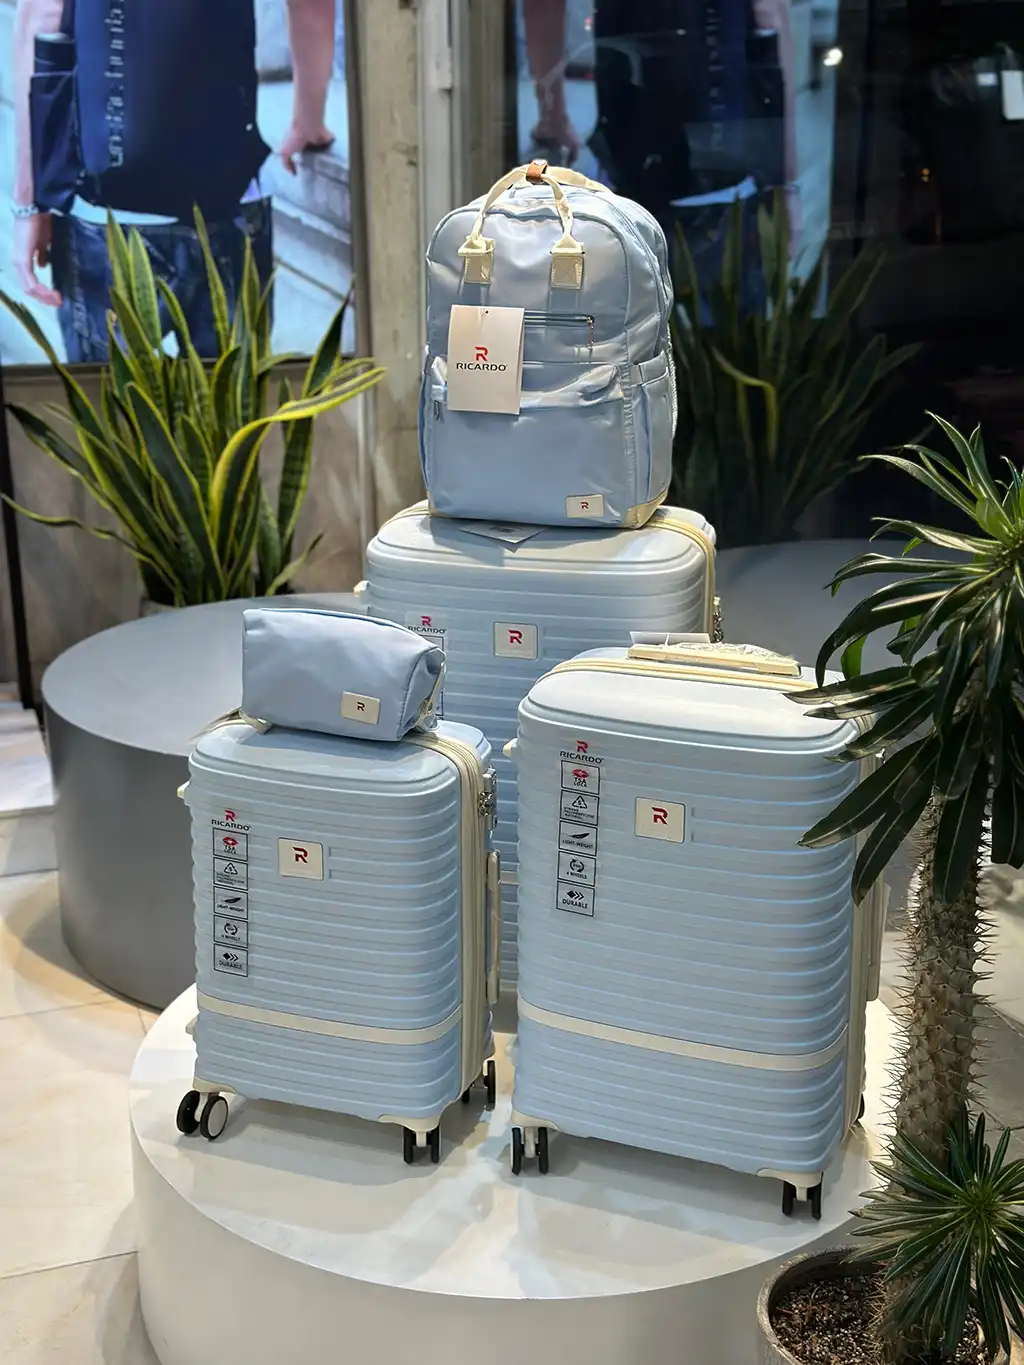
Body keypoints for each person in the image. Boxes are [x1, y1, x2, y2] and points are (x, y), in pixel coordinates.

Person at [11, 0, 338, 362]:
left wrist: (30, 201)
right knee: (233, 395)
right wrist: (308, 120)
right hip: (228, 197)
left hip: (103, 209)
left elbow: (44, 14)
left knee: (110, 395)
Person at [521, 0, 800, 310]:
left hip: (634, 155)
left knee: (625, 318)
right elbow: (769, 17)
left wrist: (553, 115)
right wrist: (785, 183)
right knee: (726, 320)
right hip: (726, 164)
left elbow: (544, 7)